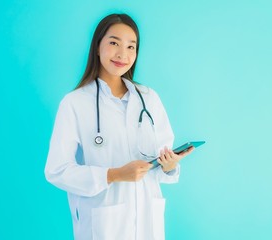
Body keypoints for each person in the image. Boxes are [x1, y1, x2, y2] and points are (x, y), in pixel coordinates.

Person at [45, 13, 193, 240]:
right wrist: (114, 174)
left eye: (131, 47)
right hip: (104, 226)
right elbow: (57, 171)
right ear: (97, 47)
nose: (123, 54)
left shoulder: (149, 98)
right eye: (114, 43)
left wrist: (169, 165)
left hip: (148, 223)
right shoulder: (74, 103)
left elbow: (163, 158)